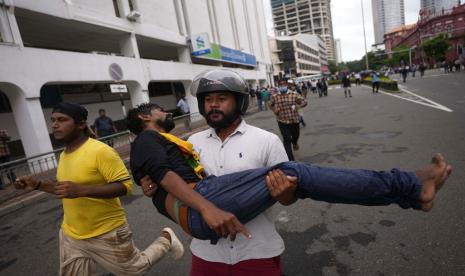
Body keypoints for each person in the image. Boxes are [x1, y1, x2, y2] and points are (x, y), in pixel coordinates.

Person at [126, 101, 452, 244]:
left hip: (205, 205)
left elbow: (160, 178)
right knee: (294, 169)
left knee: (292, 176)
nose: (165, 111)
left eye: (221, 98)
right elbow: (163, 174)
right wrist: (206, 208)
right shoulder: (147, 139)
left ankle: (412, 192)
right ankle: (410, 185)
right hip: (202, 206)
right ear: (144, 117)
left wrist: (285, 194)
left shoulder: (175, 141)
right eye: (158, 109)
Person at [14, 102, 184, 276]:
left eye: (62, 120)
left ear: (81, 124)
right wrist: (37, 185)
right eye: (53, 120)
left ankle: (166, 240)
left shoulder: (101, 151)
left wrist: (81, 190)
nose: (55, 125)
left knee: (134, 269)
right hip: (71, 234)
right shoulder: (64, 155)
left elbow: (125, 186)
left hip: (107, 232)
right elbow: (65, 189)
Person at [185, 69, 291, 275]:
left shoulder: (266, 141)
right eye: (208, 99)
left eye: (221, 98)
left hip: (256, 251)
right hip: (207, 253)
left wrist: (285, 191)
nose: (213, 104)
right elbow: (182, 189)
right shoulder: (191, 144)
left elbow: (288, 198)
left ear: (239, 102)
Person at [269, 79, 308, 161]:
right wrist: (274, 110)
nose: (282, 86)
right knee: (286, 139)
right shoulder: (275, 96)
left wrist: (299, 106)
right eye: (280, 85)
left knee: (295, 136)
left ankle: (295, 143)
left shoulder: (294, 94)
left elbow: (304, 102)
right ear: (278, 86)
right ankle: (291, 160)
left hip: (294, 120)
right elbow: (270, 105)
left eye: (284, 84)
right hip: (282, 121)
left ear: (287, 85)